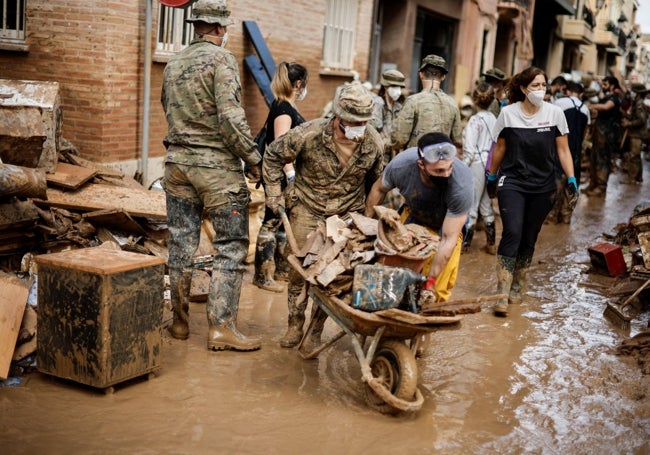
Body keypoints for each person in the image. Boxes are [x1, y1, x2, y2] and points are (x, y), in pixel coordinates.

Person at [161, 0, 263, 351]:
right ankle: (221, 328)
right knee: (231, 247)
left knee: (180, 245)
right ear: (219, 29)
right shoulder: (222, 60)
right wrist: (254, 159)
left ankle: (178, 323)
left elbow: (167, 108)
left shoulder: (173, 63)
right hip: (216, 170)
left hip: (175, 166)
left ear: (196, 25)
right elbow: (231, 121)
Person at [263, 83, 384, 348]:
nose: (359, 128)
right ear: (339, 118)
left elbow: (378, 183)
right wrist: (273, 194)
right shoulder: (309, 133)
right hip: (308, 207)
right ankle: (295, 323)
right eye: (354, 122)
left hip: (345, 215)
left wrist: (368, 220)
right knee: (299, 270)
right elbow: (272, 155)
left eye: (364, 122)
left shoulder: (373, 142)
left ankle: (316, 329)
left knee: (334, 276)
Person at [486, 66, 577, 317]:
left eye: (543, 85)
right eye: (535, 85)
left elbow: (563, 150)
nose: (540, 90)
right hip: (512, 181)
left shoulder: (555, 113)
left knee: (529, 235)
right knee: (512, 231)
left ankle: (519, 285)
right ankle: (502, 291)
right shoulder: (507, 114)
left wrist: (571, 178)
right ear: (524, 88)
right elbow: (500, 148)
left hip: (544, 185)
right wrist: (492, 175)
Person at [365, 132, 473, 302]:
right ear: (421, 164)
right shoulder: (401, 166)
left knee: (435, 292)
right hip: (414, 214)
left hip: (445, 224)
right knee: (393, 275)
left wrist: (429, 282)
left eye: (449, 167)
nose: (446, 174)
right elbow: (378, 189)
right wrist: (366, 227)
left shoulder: (461, 184)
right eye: (439, 170)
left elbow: (447, 239)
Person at [252, 62, 308, 293]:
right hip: (279, 176)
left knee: (284, 223)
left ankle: (282, 270)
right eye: (305, 84)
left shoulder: (285, 106)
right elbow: (280, 146)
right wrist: (291, 173)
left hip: (282, 175)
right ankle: (262, 275)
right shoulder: (284, 110)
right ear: (298, 84)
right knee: (272, 220)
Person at [392, 54, 462, 151]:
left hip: (417, 159)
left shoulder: (413, 101)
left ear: (421, 74)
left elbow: (399, 139)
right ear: (443, 77)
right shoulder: (452, 103)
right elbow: (458, 141)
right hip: (442, 160)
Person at [547, 81, 591, 224]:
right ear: (581, 94)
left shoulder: (560, 102)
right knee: (572, 183)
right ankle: (566, 217)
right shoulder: (585, 108)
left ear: (568, 91)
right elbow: (585, 132)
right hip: (576, 151)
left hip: (559, 148)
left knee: (556, 182)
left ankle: (551, 216)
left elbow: (549, 123)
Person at [461, 82, 497, 254]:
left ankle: (465, 245)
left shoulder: (474, 121)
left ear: (475, 100)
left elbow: (469, 150)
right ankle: (491, 244)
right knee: (486, 205)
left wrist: (460, 169)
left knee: (472, 206)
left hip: (476, 165)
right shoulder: (494, 119)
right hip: (491, 165)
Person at [585, 76, 622, 196]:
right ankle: (593, 184)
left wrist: (592, 106)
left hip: (607, 135)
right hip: (599, 134)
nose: (603, 86)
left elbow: (606, 107)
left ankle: (601, 187)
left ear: (612, 86)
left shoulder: (614, 99)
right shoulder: (605, 97)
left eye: (605, 84)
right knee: (594, 159)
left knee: (603, 160)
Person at [368, 68, 407, 164]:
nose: (398, 90)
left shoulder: (399, 106)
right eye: (394, 86)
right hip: (378, 155)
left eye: (399, 87)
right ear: (385, 86)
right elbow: (373, 131)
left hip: (394, 156)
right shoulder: (378, 104)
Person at [620, 83, 648, 184]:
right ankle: (638, 177)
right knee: (636, 156)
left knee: (633, 157)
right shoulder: (636, 103)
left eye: (633, 92)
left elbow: (641, 120)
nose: (631, 93)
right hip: (636, 134)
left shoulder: (639, 104)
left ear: (638, 94)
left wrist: (629, 123)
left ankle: (631, 179)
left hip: (637, 135)